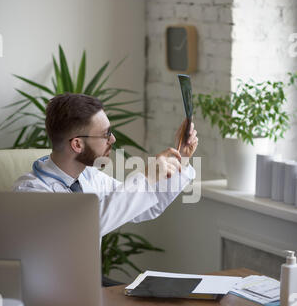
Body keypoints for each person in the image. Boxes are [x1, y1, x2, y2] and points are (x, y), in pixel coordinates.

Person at [13, 93, 198, 239]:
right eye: (105, 134)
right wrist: (146, 177)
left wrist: (181, 158)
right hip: (48, 286)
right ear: (77, 144)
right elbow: (84, 229)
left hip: (88, 282)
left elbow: (145, 207)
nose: (113, 139)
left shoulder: (90, 177)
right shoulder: (31, 192)